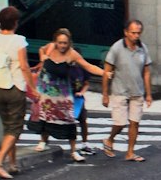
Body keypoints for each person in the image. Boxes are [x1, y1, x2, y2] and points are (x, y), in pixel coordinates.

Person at [31, 28, 105, 162]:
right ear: (55, 42)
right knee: (45, 116)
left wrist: (105, 73)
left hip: (63, 92)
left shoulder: (72, 54)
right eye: (60, 42)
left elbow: (88, 66)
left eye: (65, 43)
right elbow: (41, 49)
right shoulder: (50, 47)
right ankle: (43, 141)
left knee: (69, 120)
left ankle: (73, 151)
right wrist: (42, 56)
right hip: (47, 90)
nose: (62, 46)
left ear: (69, 43)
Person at [0, 6, 39, 180]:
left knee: (7, 125)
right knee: (15, 128)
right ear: (15, 23)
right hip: (14, 88)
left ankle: (12, 163)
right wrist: (33, 89)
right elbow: (24, 66)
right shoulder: (19, 41)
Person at [102, 19, 152, 161]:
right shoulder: (116, 48)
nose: (136, 36)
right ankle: (110, 139)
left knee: (134, 122)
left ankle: (130, 152)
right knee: (120, 123)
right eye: (133, 33)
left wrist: (149, 94)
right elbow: (107, 72)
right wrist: (105, 94)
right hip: (119, 91)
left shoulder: (143, 48)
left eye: (138, 33)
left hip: (137, 91)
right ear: (126, 32)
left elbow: (147, 72)